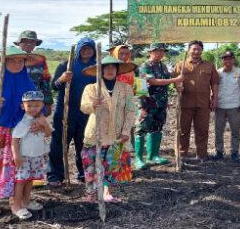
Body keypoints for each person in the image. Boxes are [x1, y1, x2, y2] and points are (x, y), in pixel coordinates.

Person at [0, 47, 43, 217]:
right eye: (13, 60)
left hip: (19, 131)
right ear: (4, 62)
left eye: (21, 61)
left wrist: (35, 117)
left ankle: (18, 201)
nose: (18, 64)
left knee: (18, 166)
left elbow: (35, 103)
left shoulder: (26, 80)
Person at [80, 56, 137, 202]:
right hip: (96, 133)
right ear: (101, 70)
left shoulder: (126, 88)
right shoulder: (92, 88)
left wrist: (125, 131)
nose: (110, 70)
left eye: (113, 67)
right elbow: (84, 107)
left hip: (118, 134)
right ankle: (91, 194)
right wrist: (94, 103)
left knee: (113, 164)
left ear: (117, 70)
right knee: (91, 165)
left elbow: (130, 111)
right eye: (106, 67)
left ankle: (107, 192)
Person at [47, 38, 97, 187]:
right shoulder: (67, 65)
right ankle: (55, 175)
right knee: (59, 143)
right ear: (78, 50)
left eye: (90, 48)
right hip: (66, 111)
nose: (87, 51)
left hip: (87, 111)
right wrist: (62, 79)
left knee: (84, 143)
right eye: (84, 48)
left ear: (94, 50)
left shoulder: (96, 67)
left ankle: (84, 173)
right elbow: (54, 86)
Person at [134, 44, 183, 169]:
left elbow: (165, 83)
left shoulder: (163, 66)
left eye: (162, 51)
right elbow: (152, 81)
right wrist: (175, 80)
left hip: (160, 103)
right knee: (141, 130)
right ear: (150, 52)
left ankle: (153, 156)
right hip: (147, 104)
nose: (160, 53)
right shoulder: (144, 66)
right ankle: (138, 159)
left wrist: (176, 85)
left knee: (157, 128)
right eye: (157, 51)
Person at [173, 40, 220, 161]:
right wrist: (178, 85)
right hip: (185, 103)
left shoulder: (209, 65)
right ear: (189, 50)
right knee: (183, 130)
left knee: (202, 130)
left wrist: (214, 98)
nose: (196, 51)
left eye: (198, 49)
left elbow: (214, 83)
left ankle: (202, 155)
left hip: (203, 104)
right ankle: (182, 154)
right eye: (194, 49)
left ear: (202, 51)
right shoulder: (180, 65)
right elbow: (175, 81)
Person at [11, 91, 53, 220]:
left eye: (36, 105)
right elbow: (15, 139)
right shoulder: (22, 121)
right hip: (24, 157)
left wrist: (44, 124)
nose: (33, 108)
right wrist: (16, 156)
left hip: (36, 155)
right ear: (23, 106)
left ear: (42, 106)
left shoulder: (42, 119)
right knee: (21, 181)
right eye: (30, 106)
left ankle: (26, 201)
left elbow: (48, 134)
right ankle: (17, 206)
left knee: (30, 180)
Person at [213, 51, 240, 161]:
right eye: (225, 59)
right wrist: (213, 101)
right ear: (222, 60)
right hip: (220, 106)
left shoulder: (239, 72)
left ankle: (235, 152)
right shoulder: (218, 73)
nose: (228, 61)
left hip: (234, 106)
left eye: (230, 59)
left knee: (235, 131)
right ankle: (219, 152)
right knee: (218, 131)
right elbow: (214, 88)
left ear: (234, 60)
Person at [14, 30, 52, 115]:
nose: (28, 44)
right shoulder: (10, 59)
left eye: (32, 42)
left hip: (34, 103)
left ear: (35, 44)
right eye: (25, 41)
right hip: (13, 102)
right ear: (19, 43)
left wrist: (48, 103)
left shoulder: (40, 61)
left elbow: (45, 82)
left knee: (33, 127)